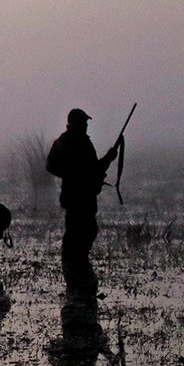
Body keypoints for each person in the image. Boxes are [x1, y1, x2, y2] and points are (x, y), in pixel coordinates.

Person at [46, 108, 119, 289]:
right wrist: (72, 175)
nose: (86, 126)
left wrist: (108, 159)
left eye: (86, 123)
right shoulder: (65, 142)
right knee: (77, 234)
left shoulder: (83, 143)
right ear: (74, 123)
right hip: (75, 197)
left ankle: (78, 267)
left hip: (86, 196)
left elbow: (93, 169)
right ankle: (74, 271)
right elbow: (51, 165)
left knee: (88, 231)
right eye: (83, 123)